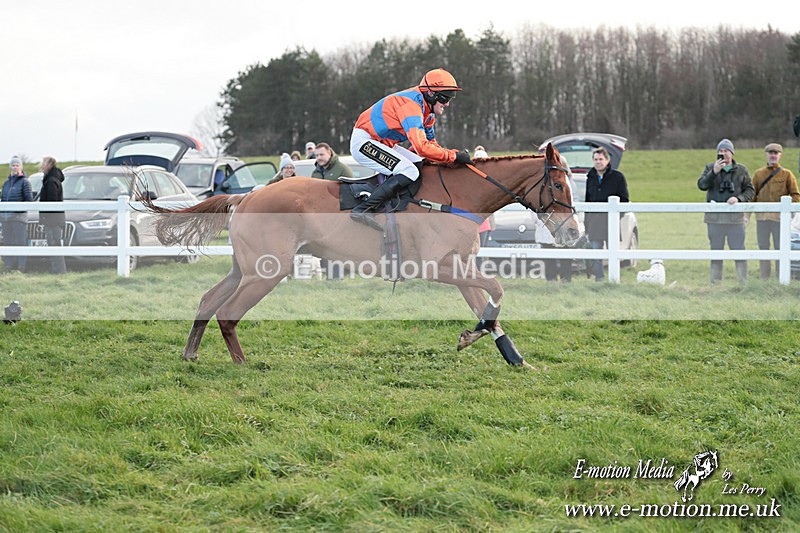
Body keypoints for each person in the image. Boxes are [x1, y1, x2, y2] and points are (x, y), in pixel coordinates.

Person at [349, 67, 472, 228]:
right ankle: (363, 210)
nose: (448, 103)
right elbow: (421, 147)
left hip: (382, 142)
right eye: (445, 98)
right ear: (430, 93)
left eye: (451, 97)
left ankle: (400, 206)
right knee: (410, 171)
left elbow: (430, 146)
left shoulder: (428, 114)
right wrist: (454, 156)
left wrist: (450, 160)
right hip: (364, 142)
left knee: (419, 163)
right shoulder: (411, 106)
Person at [697, 138, 754, 285]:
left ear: (732, 153)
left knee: (739, 250)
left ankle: (743, 282)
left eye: (725, 151)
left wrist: (739, 198)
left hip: (735, 220)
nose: (722, 153)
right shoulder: (710, 167)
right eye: (720, 151)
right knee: (716, 251)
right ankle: (715, 283)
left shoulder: (741, 170)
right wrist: (714, 172)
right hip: (715, 219)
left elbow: (750, 190)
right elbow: (702, 185)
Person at [752, 143, 800, 280]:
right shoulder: (758, 174)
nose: (773, 155)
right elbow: (752, 196)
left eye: (776, 153)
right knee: (763, 248)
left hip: (780, 220)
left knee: (781, 248)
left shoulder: (787, 175)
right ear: (766, 154)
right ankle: (764, 277)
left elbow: (796, 195)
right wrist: (746, 215)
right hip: (762, 219)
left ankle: (781, 276)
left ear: (780, 155)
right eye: (770, 153)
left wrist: (789, 212)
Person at [584, 147, 629, 281]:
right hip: (594, 223)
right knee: (596, 253)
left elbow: (624, 200)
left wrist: (617, 217)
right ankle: (599, 279)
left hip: (611, 222)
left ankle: (613, 279)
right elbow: (588, 202)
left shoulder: (618, 177)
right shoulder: (590, 178)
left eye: (601, 159)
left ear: (607, 160)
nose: (598, 162)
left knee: (613, 252)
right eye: (596, 159)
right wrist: (587, 224)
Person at [1, 156, 34, 272]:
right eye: (13, 165)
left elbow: (29, 200)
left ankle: (22, 266)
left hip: (18, 217)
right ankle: (8, 265)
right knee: (7, 242)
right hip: (5, 218)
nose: (15, 167)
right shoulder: (6, 183)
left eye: (17, 165)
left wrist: (17, 210)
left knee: (20, 241)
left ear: (20, 167)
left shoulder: (25, 182)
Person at [38, 156, 67, 274]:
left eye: (43, 163)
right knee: (54, 244)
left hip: (52, 220)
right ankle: (58, 270)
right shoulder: (52, 179)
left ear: (48, 165)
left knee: (54, 244)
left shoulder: (51, 181)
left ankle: (59, 271)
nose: (41, 165)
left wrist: (44, 217)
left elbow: (51, 202)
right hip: (54, 219)